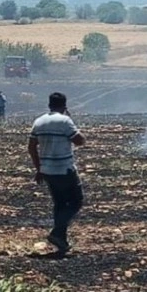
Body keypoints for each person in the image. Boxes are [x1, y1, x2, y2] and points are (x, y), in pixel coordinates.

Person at [27, 92, 86, 253]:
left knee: (59, 203)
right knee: (76, 201)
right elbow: (80, 141)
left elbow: (31, 147)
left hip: (47, 170)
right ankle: (57, 232)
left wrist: (38, 169)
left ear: (49, 105)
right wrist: (71, 121)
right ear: (64, 106)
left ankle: (61, 240)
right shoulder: (65, 121)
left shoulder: (39, 122)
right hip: (64, 169)